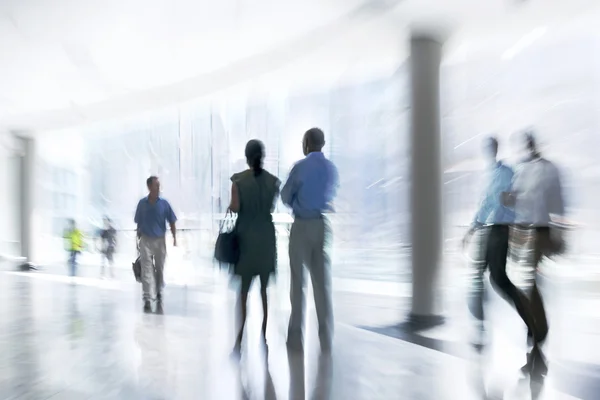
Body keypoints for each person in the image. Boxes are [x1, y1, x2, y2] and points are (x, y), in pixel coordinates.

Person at [463, 137, 536, 349]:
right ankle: (480, 327)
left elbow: (509, 201)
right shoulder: (493, 174)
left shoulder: (505, 173)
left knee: (499, 279)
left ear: (496, 149)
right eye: (486, 148)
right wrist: (473, 227)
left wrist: (512, 220)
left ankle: (530, 318)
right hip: (490, 229)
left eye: (491, 147)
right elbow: (486, 204)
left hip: (500, 229)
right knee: (479, 275)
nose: (489, 151)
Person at [503, 130, 565, 348]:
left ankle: (539, 327)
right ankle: (534, 322)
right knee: (520, 278)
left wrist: (558, 232)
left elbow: (557, 202)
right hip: (520, 229)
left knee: (529, 278)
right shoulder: (520, 169)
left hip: (539, 229)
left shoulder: (548, 169)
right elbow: (511, 199)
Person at [282, 127, 339, 353]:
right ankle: (325, 333)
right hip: (321, 225)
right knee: (321, 282)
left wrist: (299, 200)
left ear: (306, 143)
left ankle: (296, 334)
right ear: (322, 143)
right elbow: (329, 194)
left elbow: (286, 196)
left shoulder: (300, 167)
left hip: (302, 225)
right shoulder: (330, 169)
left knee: (298, 282)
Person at [229, 140, 280, 354]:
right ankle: (264, 334)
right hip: (266, 239)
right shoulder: (273, 182)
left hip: (245, 239)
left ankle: (239, 338)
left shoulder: (238, 180)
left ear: (246, 156)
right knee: (263, 291)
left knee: (243, 292)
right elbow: (270, 206)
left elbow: (235, 207)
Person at [134, 176, 177, 313]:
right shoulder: (142, 203)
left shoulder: (164, 204)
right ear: (149, 187)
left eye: (159, 185)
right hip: (145, 239)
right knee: (146, 269)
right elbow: (138, 222)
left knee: (159, 268)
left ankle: (158, 291)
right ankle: (147, 297)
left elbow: (172, 221)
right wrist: (138, 240)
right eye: (156, 185)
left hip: (160, 240)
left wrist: (175, 237)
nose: (158, 188)